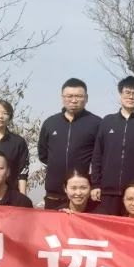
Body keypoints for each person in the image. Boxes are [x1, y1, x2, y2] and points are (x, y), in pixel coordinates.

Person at [92, 76, 134, 216]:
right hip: (107, 192)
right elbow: (97, 155)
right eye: (127, 92)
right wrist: (95, 184)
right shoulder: (107, 121)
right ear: (120, 94)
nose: (131, 97)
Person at [38, 78, 101, 210]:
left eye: (79, 96)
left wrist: (94, 184)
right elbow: (43, 155)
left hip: (82, 194)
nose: (74, 100)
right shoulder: (50, 123)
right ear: (62, 97)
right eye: (70, 96)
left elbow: (100, 158)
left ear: (86, 98)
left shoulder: (97, 123)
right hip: (54, 193)